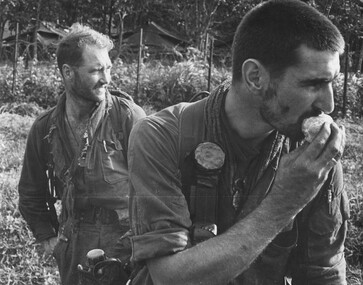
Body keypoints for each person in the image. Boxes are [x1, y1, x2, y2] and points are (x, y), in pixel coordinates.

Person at [126, 0, 349, 284]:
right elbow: (170, 277)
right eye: (312, 84)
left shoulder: (312, 152)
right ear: (255, 77)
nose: (328, 105)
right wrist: (285, 201)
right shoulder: (161, 137)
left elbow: (324, 272)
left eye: (331, 82)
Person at [18, 24, 145, 284]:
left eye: (108, 68)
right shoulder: (45, 128)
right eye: (96, 70)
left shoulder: (127, 117)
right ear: (68, 73)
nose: (107, 79)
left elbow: (159, 185)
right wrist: (48, 238)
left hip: (125, 240)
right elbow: (31, 191)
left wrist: (143, 242)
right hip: (74, 240)